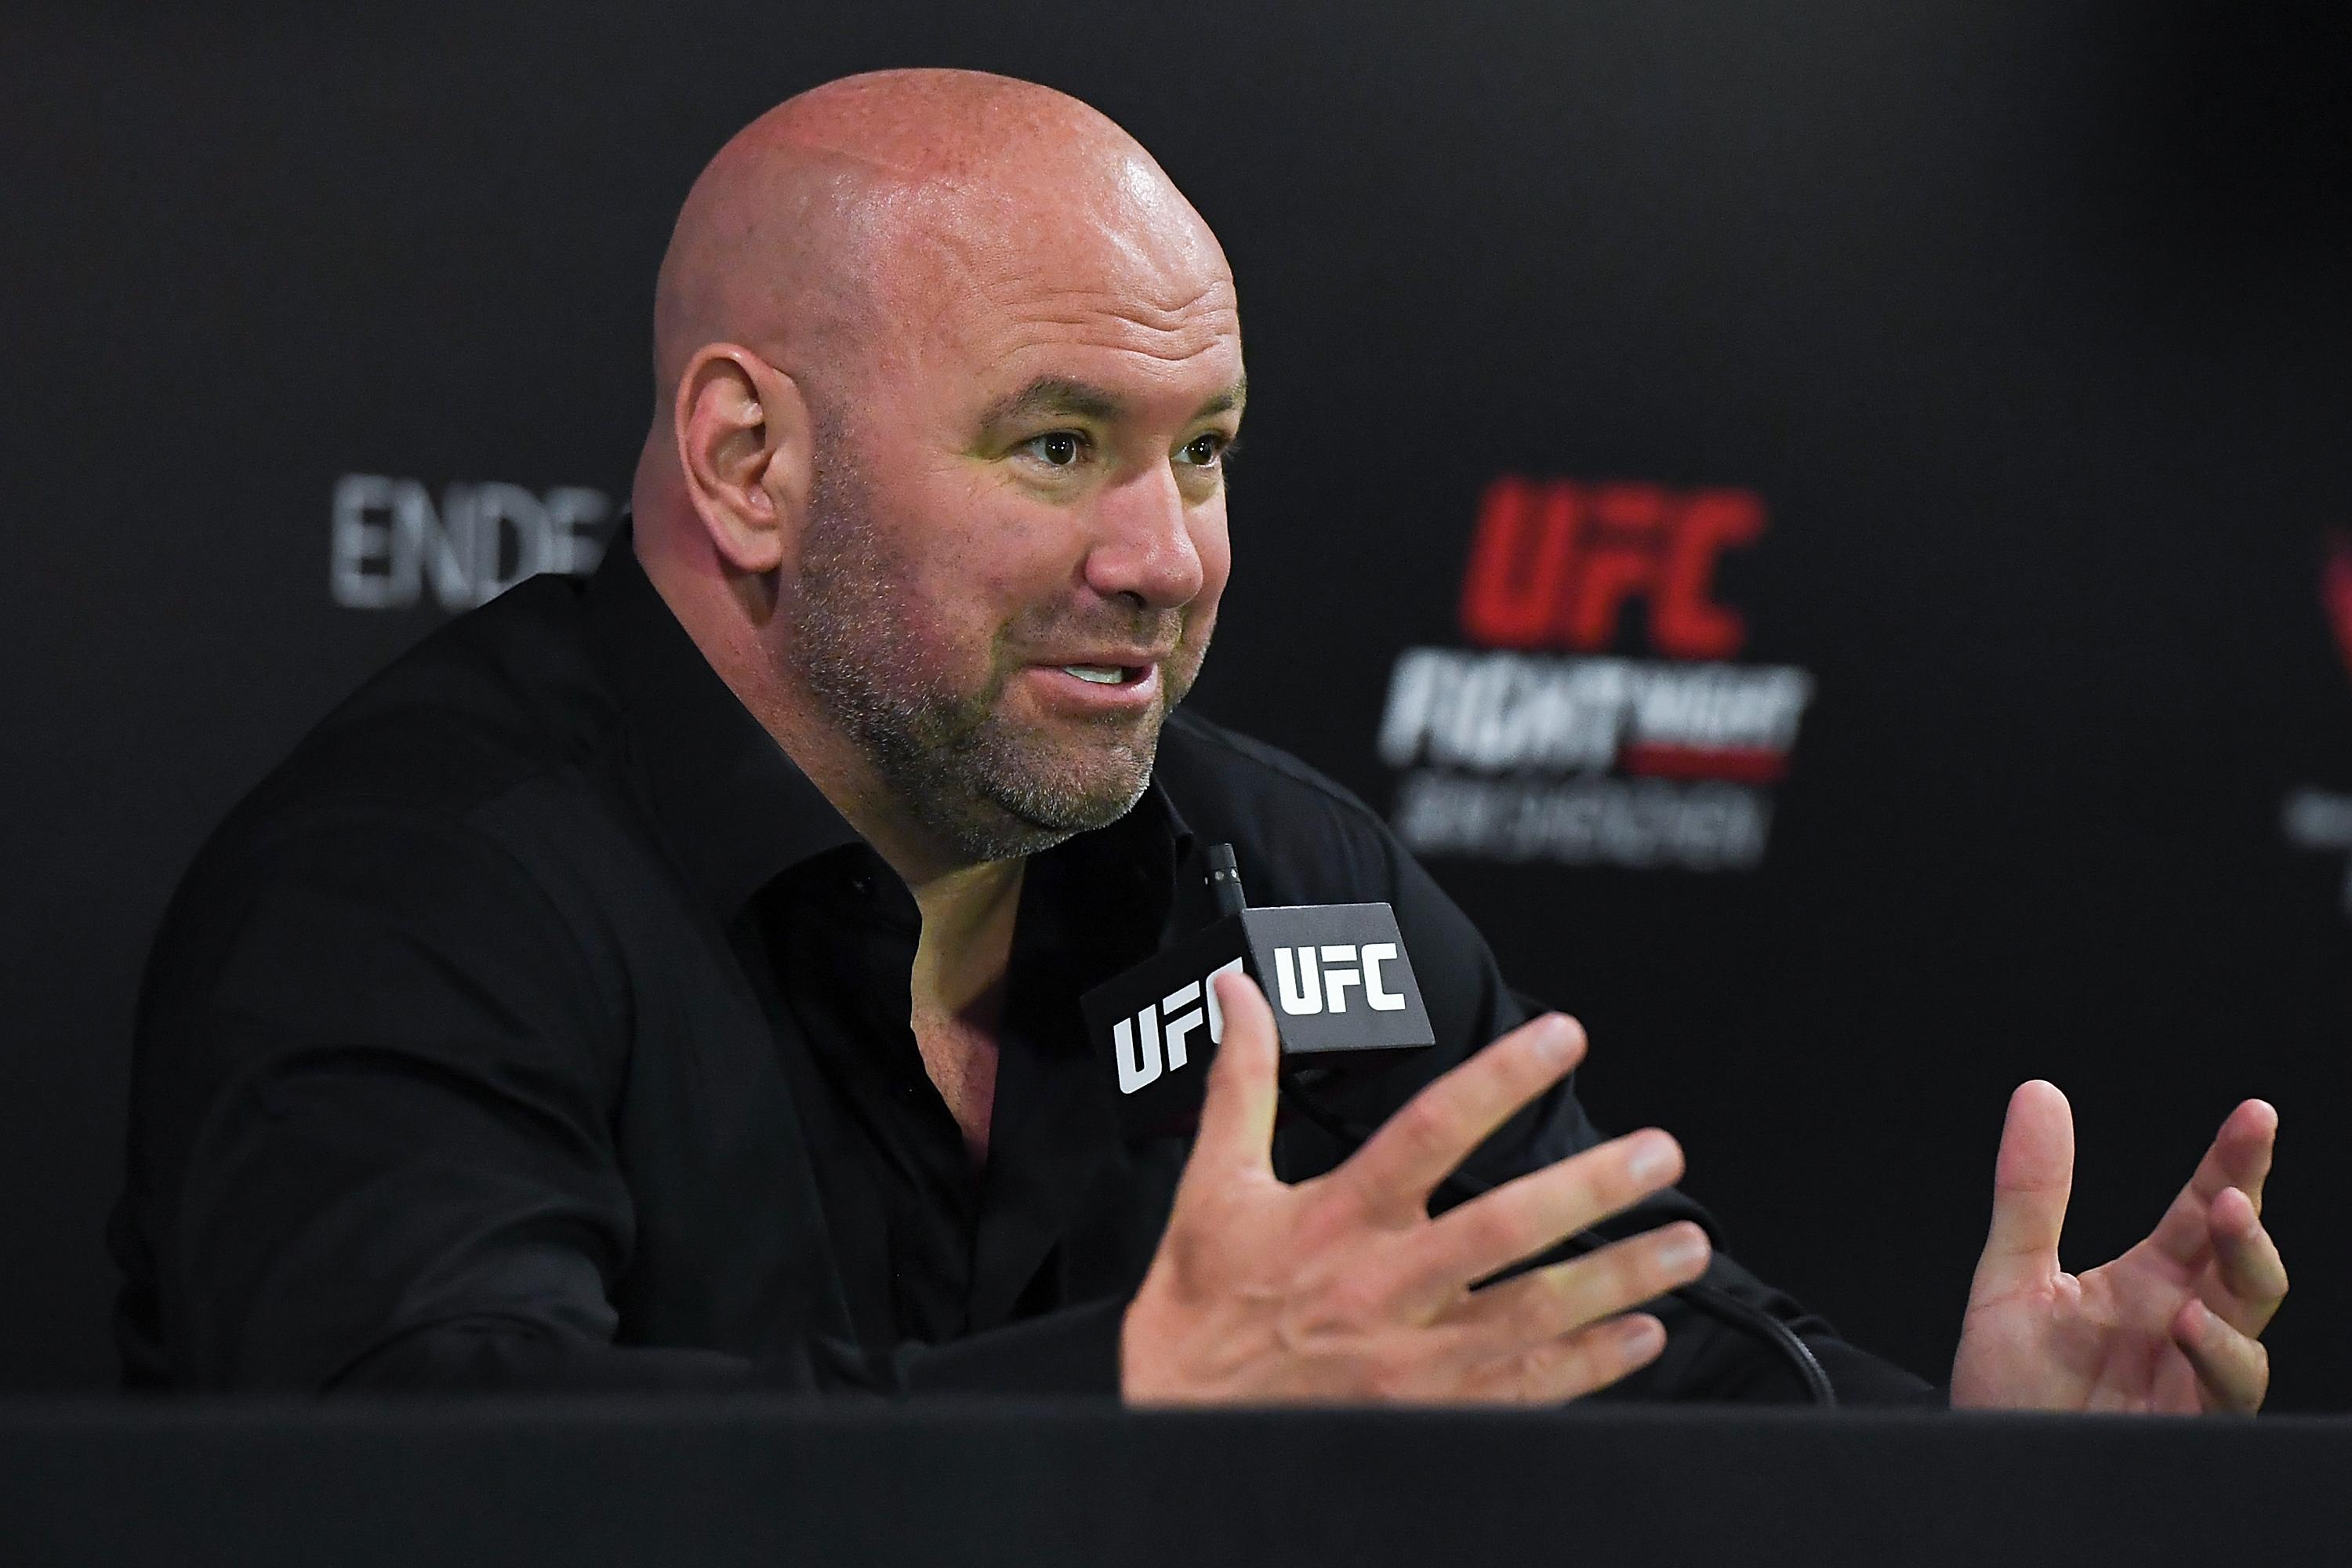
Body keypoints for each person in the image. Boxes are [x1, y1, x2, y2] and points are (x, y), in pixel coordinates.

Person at [111, 69, 2285, 1410]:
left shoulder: (1268, 870)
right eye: (1060, 447)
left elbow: (1618, 1342)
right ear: (750, 462)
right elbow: (417, 1467)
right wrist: (1137, 1389)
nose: (1168, 557)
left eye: (1209, 453)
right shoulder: (411, 894)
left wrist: (1966, 1471)